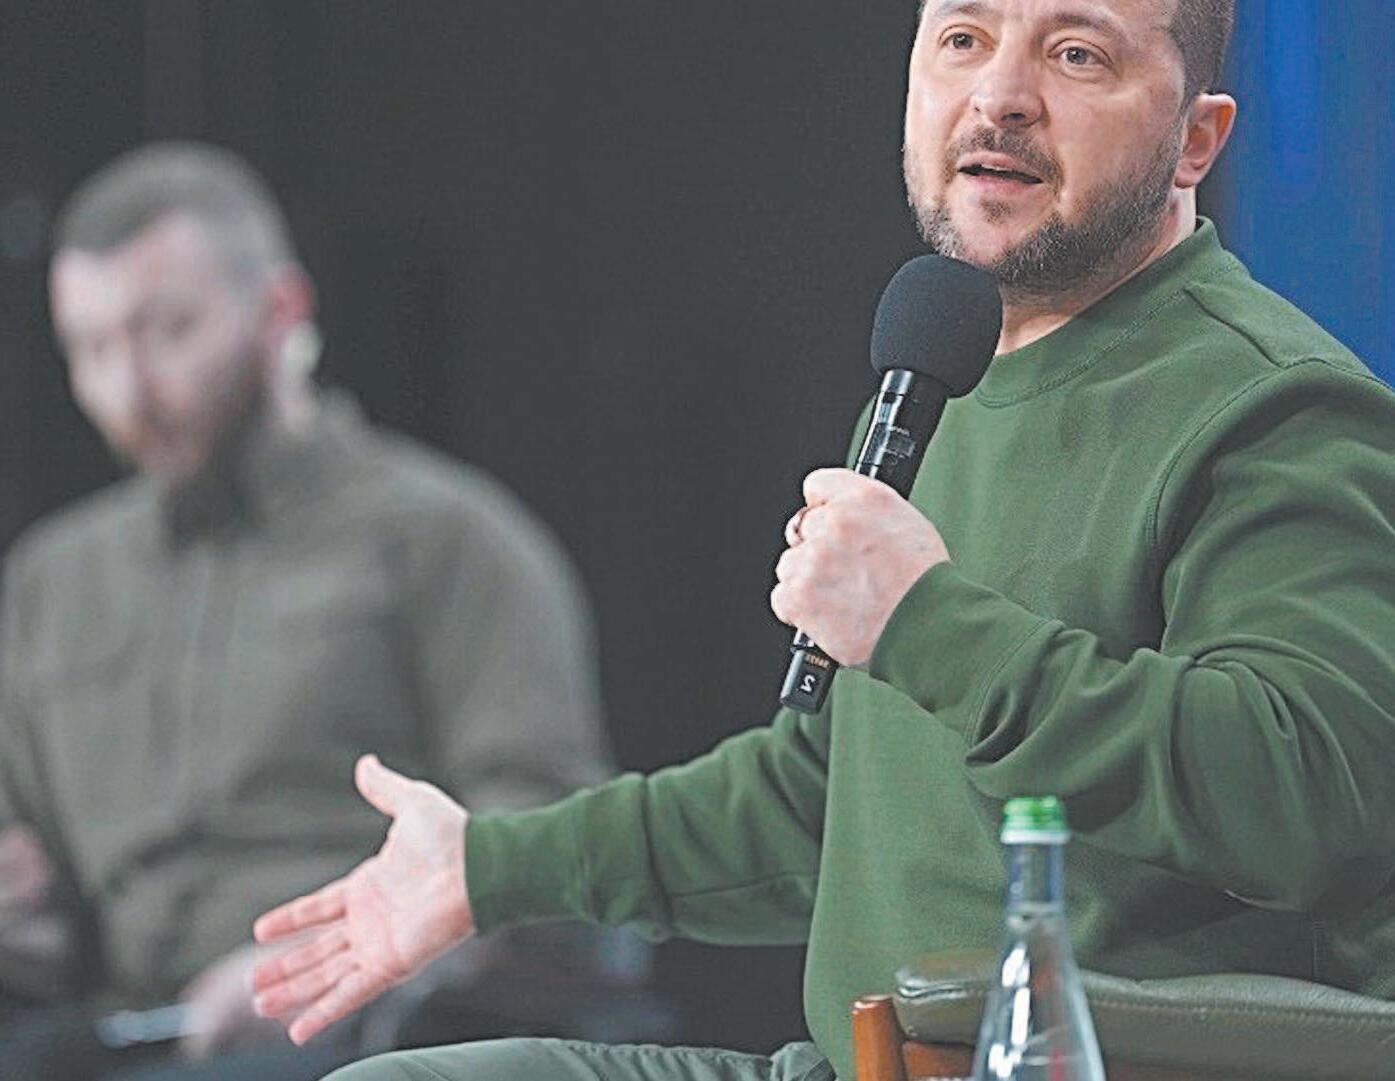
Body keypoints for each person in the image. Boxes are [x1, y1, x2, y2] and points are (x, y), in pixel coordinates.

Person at [253, 2, 1395, 1078]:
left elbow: (1308, 793)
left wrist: (926, 623)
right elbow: (825, 802)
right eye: (962, 38)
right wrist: (485, 868)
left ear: (1196, 140)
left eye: (1075, 54)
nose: (998, 95)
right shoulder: (942, 381)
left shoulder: (1276, 407)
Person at [0, 143, 616, 1080]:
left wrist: (339, 959)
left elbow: (550, 844)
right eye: (89, 348)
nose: (127, 391)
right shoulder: (51, 582)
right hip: (112, 1036)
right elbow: (28, 871)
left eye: (169, 332)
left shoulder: (444, 542)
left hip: (361, 1034)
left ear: (280, 309)